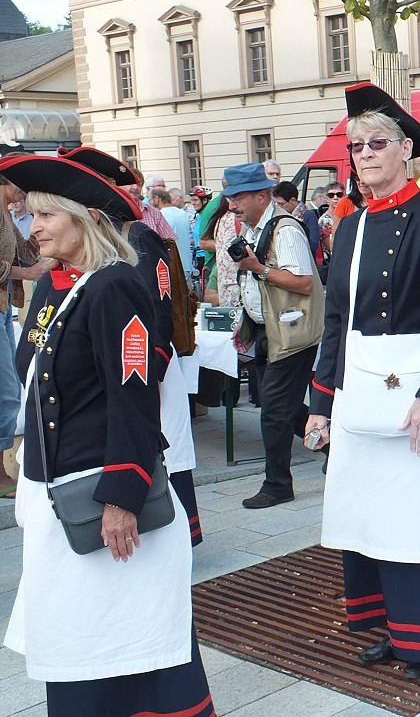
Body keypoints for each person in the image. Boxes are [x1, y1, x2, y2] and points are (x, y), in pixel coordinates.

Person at [0, 154, 215, 717]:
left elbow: (133, 399)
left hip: (99, 494)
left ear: (86, 218)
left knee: (122, 630)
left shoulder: (115, 286)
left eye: (46, 215)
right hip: (56, 489)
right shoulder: (52, 285)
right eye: (29, 214)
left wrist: (122, 496)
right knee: (73, 630)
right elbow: (36, 377)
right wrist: (21, 443)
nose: (34, 227)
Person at [305, 82, 420, 680]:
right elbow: (336, 324)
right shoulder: (350, 228)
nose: (363, 154)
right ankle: (390, 628)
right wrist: (319, 404)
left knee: (415, 522)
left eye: (376, 142)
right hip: (358, 393)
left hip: (416, 395)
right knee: (367, 520)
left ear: (405, 149)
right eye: (355, 146)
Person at [59, 146, 205, 545]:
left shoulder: (137, 233)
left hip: (148, 364)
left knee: (168, 455)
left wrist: (148, 370)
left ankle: (179, 535)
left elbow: (159, 309)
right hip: (121, 368)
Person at [226, 162, 324, 509]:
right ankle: (334, 446)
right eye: (229, 198)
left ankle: (278, 484)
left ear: (262, 195)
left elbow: (304, 283)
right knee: (279, 406)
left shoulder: (285, 230)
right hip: (271, 331)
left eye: (237, 198)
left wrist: (259, 269)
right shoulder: (255, 229)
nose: (231, 205)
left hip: (293, 332)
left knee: (274, 412)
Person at [0, 174, 45, 499]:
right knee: (7, 392)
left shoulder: (5, 210)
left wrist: (44, 231)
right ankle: (1, 475)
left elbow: (26, 252)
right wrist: (25, 274)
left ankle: (2, 472)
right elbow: (24, 265)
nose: (23, 188)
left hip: (4, 305)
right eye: (19, 182)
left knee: (8, 390)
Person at [272, 181, 321, 258]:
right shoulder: (277, 216)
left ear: (292, 200)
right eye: (276, 203)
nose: (278, 207)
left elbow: (313, 244)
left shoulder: (308, 215)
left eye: (281, 204)